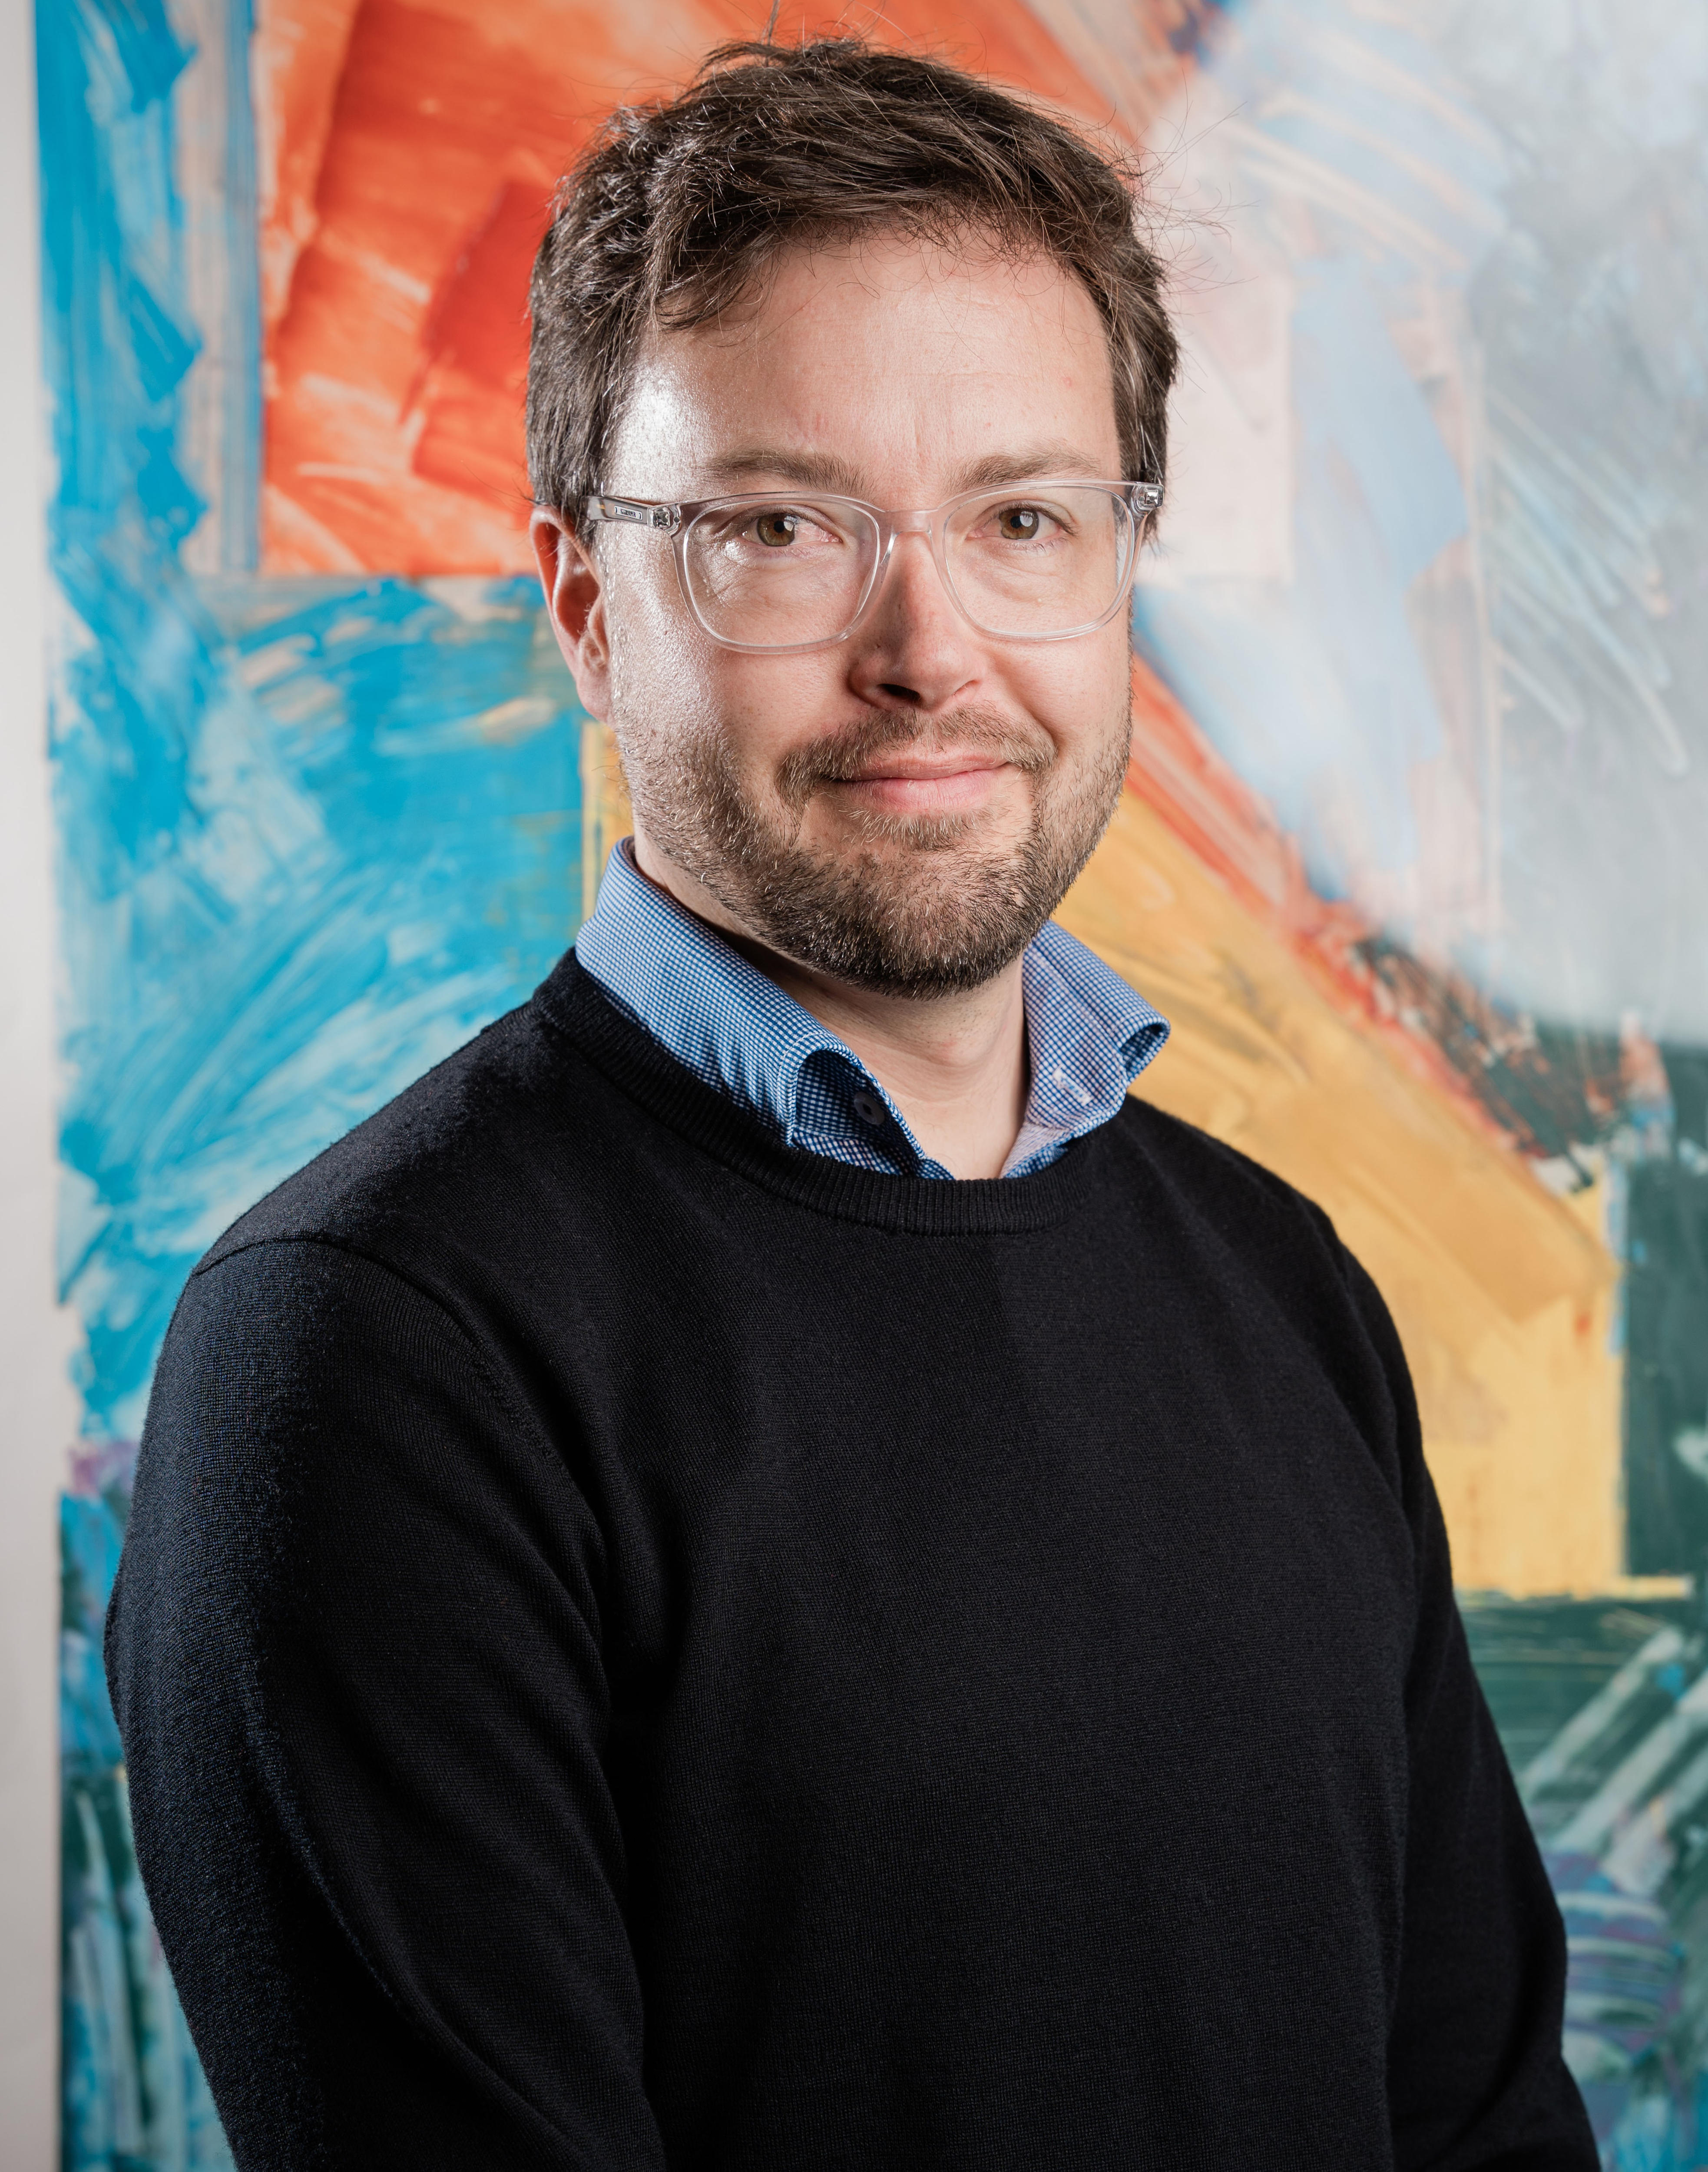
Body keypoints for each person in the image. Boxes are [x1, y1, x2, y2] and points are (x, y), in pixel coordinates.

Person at [107, 37, 1595, 2172]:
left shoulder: (1282, 1287)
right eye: (781, 527)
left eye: (1019, 518)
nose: (929, 649)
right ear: (588, 603)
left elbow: (1487, 2128)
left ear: (1116, 564)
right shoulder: (364, 1353)